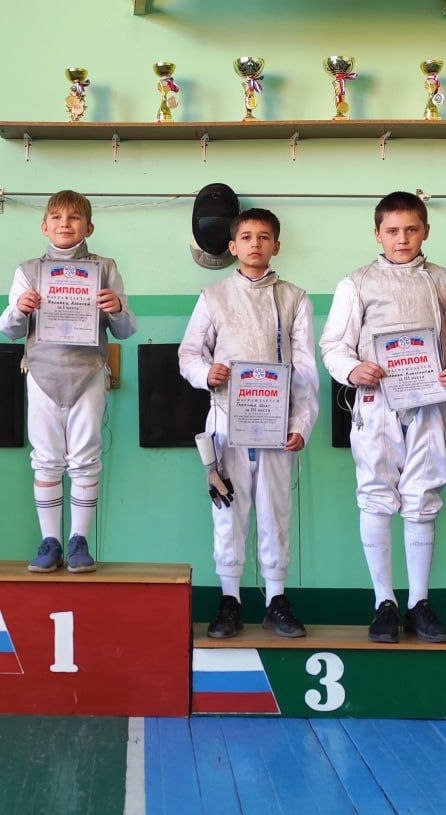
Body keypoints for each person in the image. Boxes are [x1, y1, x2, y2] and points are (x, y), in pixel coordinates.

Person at [320, 191, 446, 644]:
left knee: (422, 495)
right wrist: (353, 369)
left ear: (425, 230)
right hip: (377, 405)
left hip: (430, 403)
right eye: (392, 231)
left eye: (411, 229)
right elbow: (333, 345)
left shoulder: (445, 280)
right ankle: (384, 602)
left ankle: (419, 603)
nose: (402, 239)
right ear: (377, 234)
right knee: (375, 495)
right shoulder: (357, 283)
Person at [178, 208, 319, 638]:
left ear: (276, 245)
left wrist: (301, 423)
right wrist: (207, 373)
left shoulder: (294, 298)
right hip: (226, 420)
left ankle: (276, 599)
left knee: (275, 510)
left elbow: (305, 367)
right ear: (232, 246)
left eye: (263, 237)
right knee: (228, 509)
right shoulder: (213, 295)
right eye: (246, 237)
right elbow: (189, 354)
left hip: (277, 424)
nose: (255, 243)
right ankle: (230, 600)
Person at [0, 190, 136, 571]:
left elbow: (126, 329)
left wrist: (117, 308)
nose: (65, 224)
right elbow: (8, 329)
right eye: (57, 218)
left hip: (88, 372)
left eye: (74, 218)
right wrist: (19, 309)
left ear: (88, 227)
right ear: (44, 226)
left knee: (85, 457)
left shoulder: (105, 268)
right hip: (41, 373)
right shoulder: (28, 271)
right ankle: (51, 541)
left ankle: (78, 541)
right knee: (46, 458)